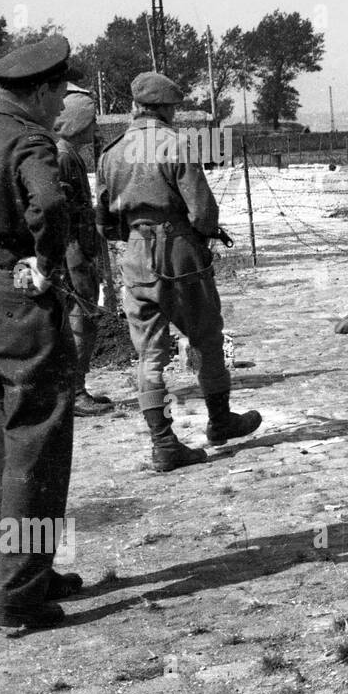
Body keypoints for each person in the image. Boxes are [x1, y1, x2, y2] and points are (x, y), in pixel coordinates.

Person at [96, 72, 262, 471]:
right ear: (168, 109)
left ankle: (163, 443)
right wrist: (199, 236)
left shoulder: (111, 152)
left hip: (135, 255)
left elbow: (103, 220)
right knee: (205, 335)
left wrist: (136, 234)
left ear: (135, 107)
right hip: (178, 251)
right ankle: (220, 421)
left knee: (149, 355)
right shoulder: (175, 144)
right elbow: (203, 212)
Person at [0, 34, 80, 627]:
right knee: (36, 442)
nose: (62, 100)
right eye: (59, 89)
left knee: (5, 446)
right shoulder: (28, 139)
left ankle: (29, 568)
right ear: (38, 89)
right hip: (16, 300)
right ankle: (18, 595)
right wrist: (46, 258)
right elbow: (48, 204)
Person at [53, 91, 115, 417]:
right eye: (91, 121)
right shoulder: (64, 156)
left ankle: (75, 390)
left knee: (82, 318)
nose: (95, 128)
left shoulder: (69, 153)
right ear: (78, 123)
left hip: (77, 247)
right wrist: (76, 258)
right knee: (83, 320)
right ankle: (75, 394)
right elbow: (61, 211)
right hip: (73, 250)